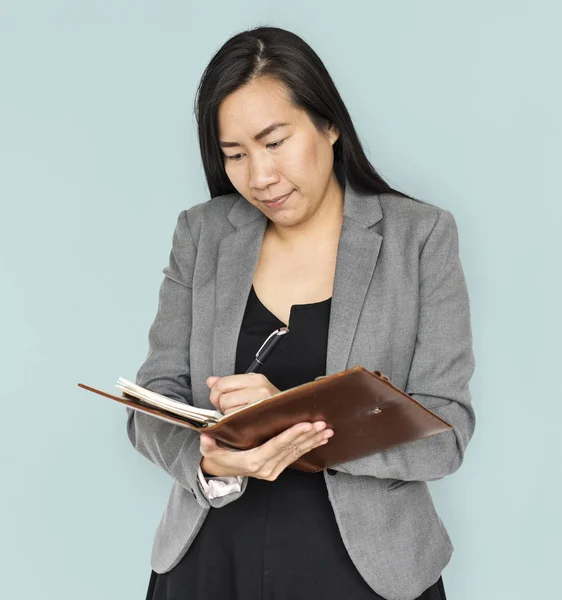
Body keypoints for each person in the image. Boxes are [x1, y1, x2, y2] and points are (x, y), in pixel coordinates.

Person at [127, 25, 475, 600]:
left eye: (275, 141)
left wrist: (292, 424)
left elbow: (446, 432)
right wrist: (211, 463)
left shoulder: (420, 237)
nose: (258, 177)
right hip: (210, 565)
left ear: (329, 123)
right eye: (234, 154)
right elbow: (152, 403)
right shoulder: (202, 234)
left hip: (366, 574)